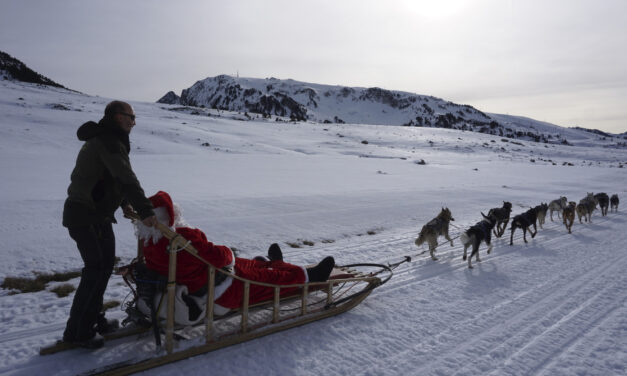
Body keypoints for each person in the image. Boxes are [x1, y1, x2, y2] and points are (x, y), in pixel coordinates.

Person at [136, 191, 335, 323]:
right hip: (219, 290)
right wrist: (228, 251)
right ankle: (310, 276)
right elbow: (219, 256)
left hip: (198, 281)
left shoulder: (151, 242)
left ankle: (271, 263)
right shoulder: (181, 239)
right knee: (267, 280)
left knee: (245, 264)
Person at [62, 101, 157, 349]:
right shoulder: (108, 141)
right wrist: (146, 210)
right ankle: (78, 332)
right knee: (95, 270)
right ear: (117, 117)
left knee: (104, 268)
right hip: (84, 214)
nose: (133, 122)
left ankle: (93, 319)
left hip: (98, 215)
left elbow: (112, 178)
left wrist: (124, 203)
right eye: (130, 117)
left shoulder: (110, 138)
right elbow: (125, 177)